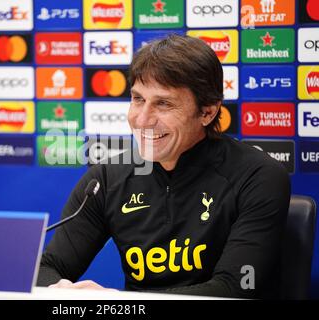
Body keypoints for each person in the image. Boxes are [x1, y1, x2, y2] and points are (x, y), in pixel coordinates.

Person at [37, 34, 291, 299]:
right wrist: (59, 290)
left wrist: (119, 302)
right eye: (137, 99)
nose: (142, 119)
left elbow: (236, 288)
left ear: (208, 112)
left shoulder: (257, 176)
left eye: (164, 103)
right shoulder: (105, 179)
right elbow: (48, 267)